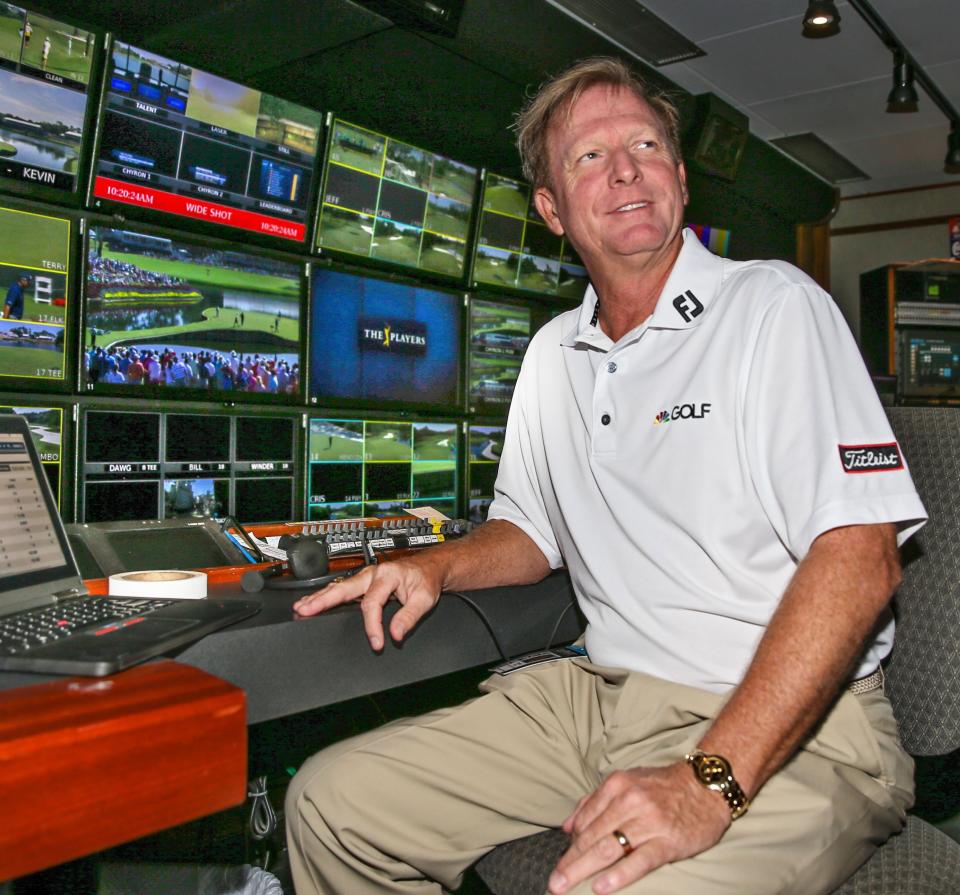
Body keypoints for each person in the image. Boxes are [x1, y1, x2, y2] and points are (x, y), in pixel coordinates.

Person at [286, 57, 927, 895]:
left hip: (795, 720)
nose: (624, 167)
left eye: (646, 144)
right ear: (551, 209)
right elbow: (529, 531)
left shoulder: (773, 307)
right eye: (590, 156)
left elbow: (861, 556)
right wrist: (435, 562)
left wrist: (708, 781)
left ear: (681, 180)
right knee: (330, 804)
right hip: (602, 696)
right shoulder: (554, 355)